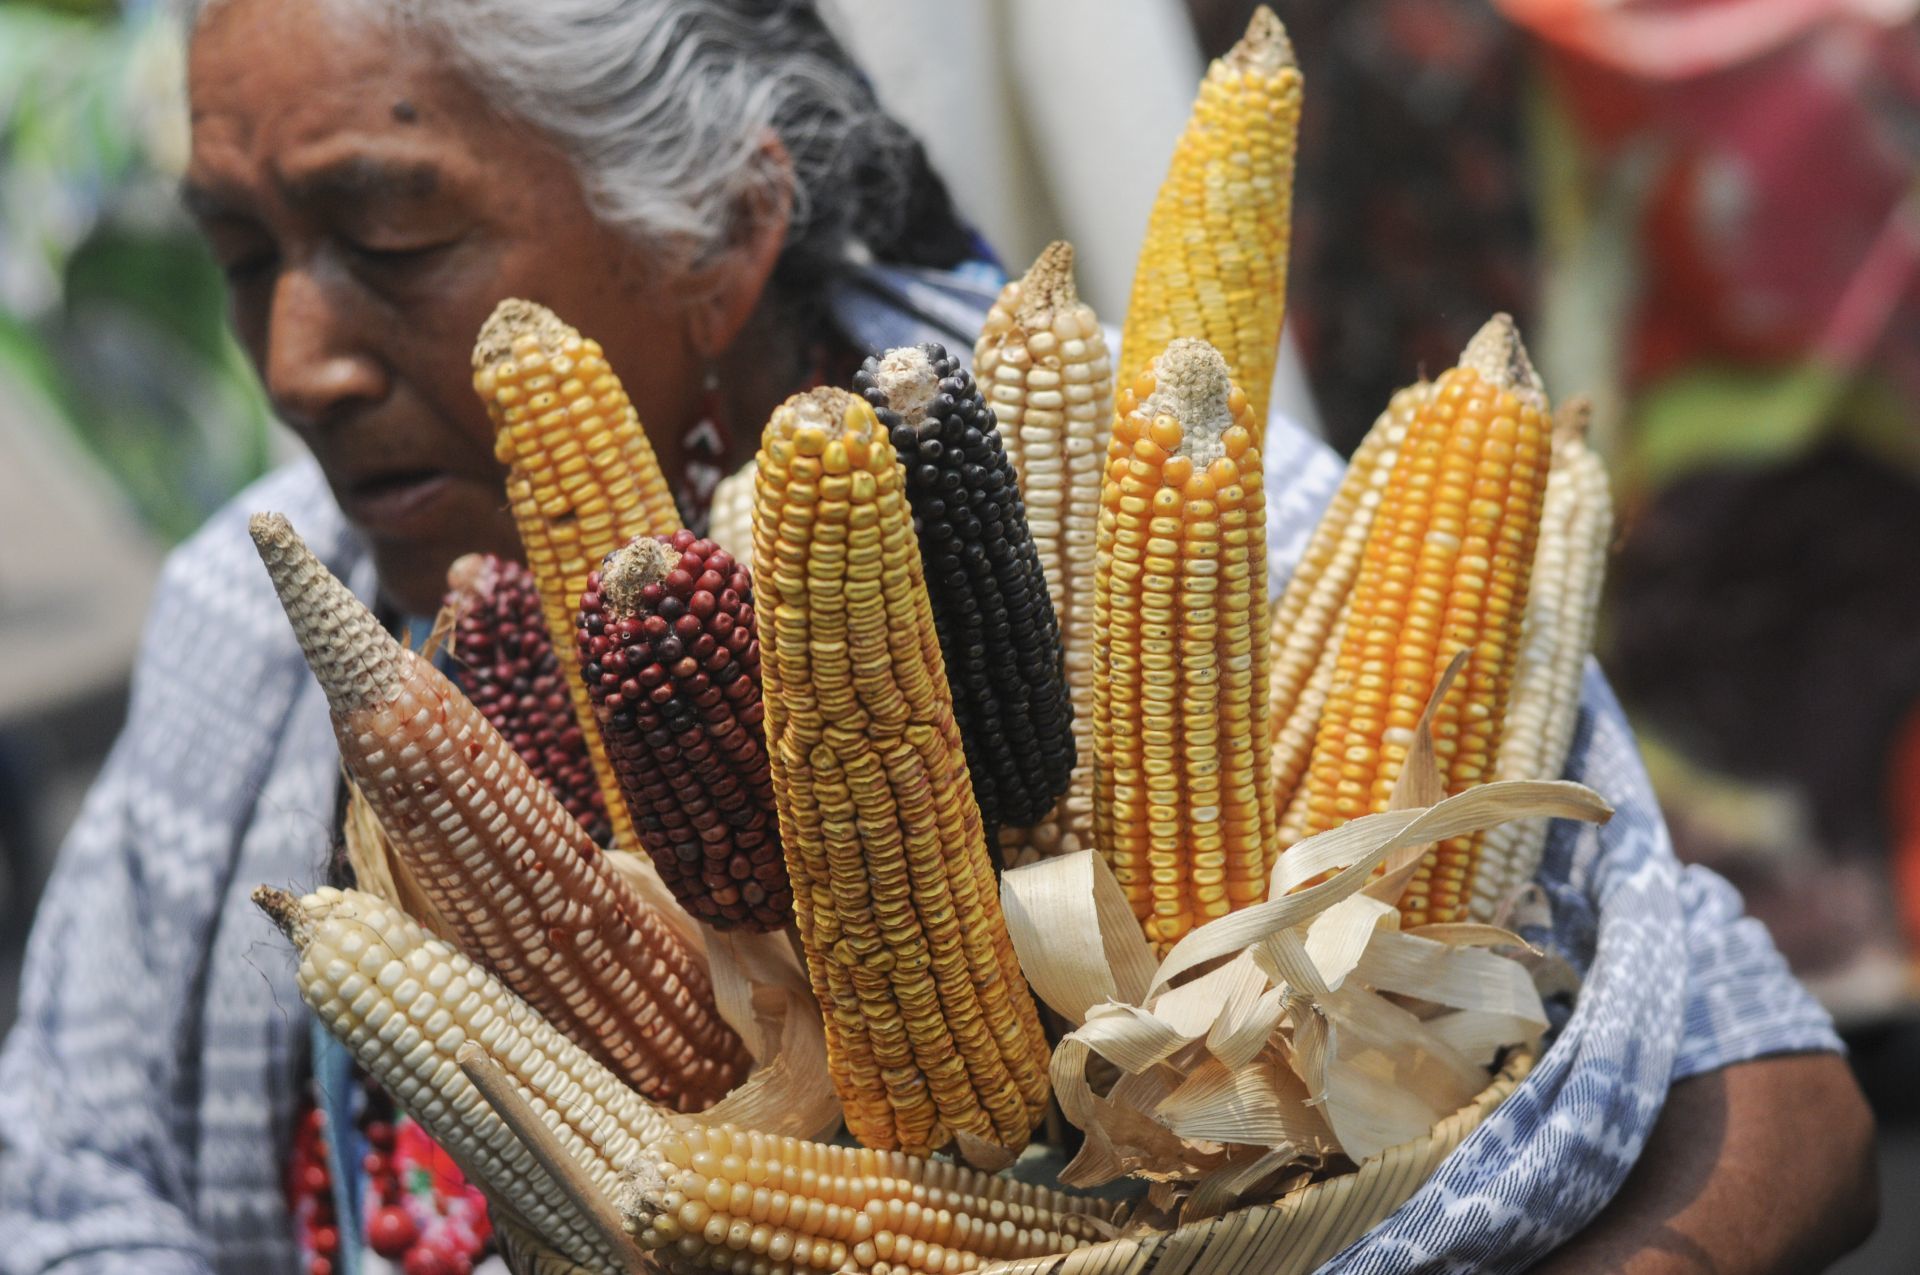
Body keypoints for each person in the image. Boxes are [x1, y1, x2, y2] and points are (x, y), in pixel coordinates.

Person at [0, 1, 1876, 1273]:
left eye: (393, 244)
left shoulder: (1214, 529)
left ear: (726, 228)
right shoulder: (254, 626)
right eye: (245, 258)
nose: (298, 363)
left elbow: (1775, 1084)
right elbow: (70, 1173)